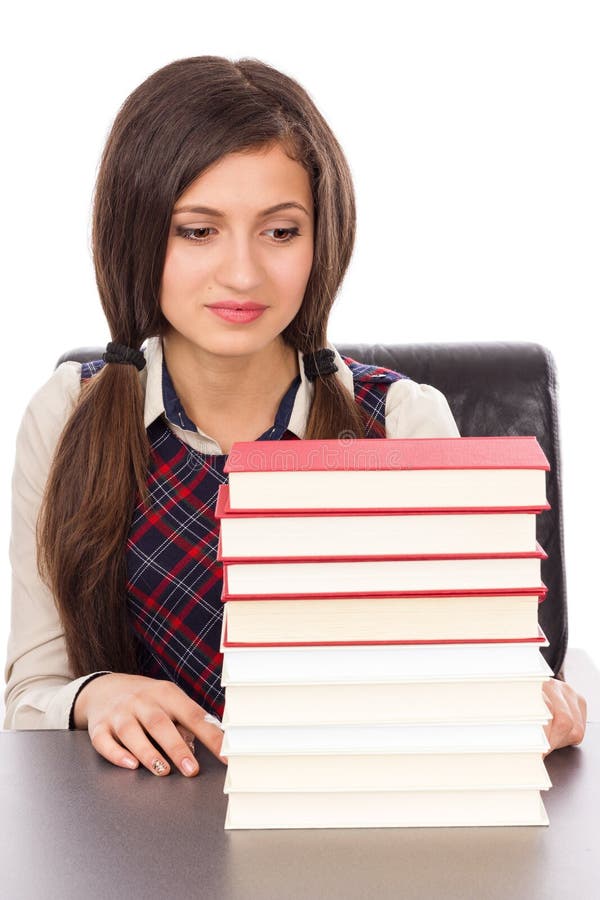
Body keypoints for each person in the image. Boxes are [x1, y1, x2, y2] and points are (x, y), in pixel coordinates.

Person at [3, 55, 586, 778]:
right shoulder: (68, 414)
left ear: (321, 240)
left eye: (280, 232)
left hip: (350, 828)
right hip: (134, 841)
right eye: (197, 231)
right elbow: (30, 695)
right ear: (136, 234)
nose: (243, 273)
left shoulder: (404, 420)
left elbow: (491, 668)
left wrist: (541, 698)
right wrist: (96, 695)